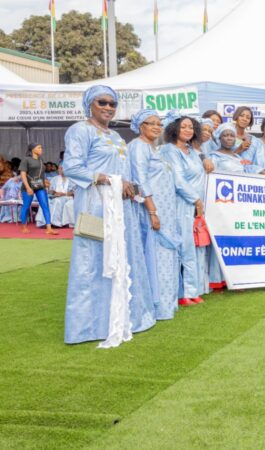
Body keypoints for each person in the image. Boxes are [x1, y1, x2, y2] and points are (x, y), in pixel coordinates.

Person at [62, 85, 156, 344]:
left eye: (112, 104)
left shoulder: (115, 136)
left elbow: (122, 169)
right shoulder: (80, 130)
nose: (108, 107)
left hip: (121, 205)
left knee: (124, 256)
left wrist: (126, 183)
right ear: (89, 104)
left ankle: (129, 317)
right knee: (93, 260)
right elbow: (71, 167)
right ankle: (89, 326)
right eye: (102, 102)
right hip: (95, 203)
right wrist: (107, 179)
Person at [129, 109, 186, 317]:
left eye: (159, 123)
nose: (156, 127)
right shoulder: (138, 147)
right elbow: (140, 180)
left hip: (166, 210)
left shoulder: (155, 149)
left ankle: (167, 303)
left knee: (167, 255)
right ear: (139, 126)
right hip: (151, 210)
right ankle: (156, 305)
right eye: (150, 123)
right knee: (155, 253)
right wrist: (152, 211)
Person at [161, 114, 210, 306]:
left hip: (194, 205)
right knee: (183, 247)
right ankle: (181, 293)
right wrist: (196, 200)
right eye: (184, 127)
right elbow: (178, 180)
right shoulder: (170, 150)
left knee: (191, 248)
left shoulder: (192, 151)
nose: (188, 130)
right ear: (174, 129)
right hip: (181, 203)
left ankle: (191, 290)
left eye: (191, 127)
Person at [207, 123, 246, 290]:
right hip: (221, 204)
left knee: (236, 238)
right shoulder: (213, 157)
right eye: (225, 135)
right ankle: (218, 279)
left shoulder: (238, 158)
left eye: (232, 135)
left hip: (238, 205)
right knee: (221, 237)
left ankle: (235, 276)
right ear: (219, 138)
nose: (229, 138)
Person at [19, 143, 57, 235]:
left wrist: (45, 182)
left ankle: (49, 228)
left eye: (41, 147)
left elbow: (41, 174)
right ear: (32, 149)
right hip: (28, 186)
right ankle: (23, 226)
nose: (41, 149)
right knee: (26, 206)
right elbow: (23, 174)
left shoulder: (41, 160)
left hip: (40, 186)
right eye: (39, 147)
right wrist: (28, 187)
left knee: (45, 205)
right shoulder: (26, 159)